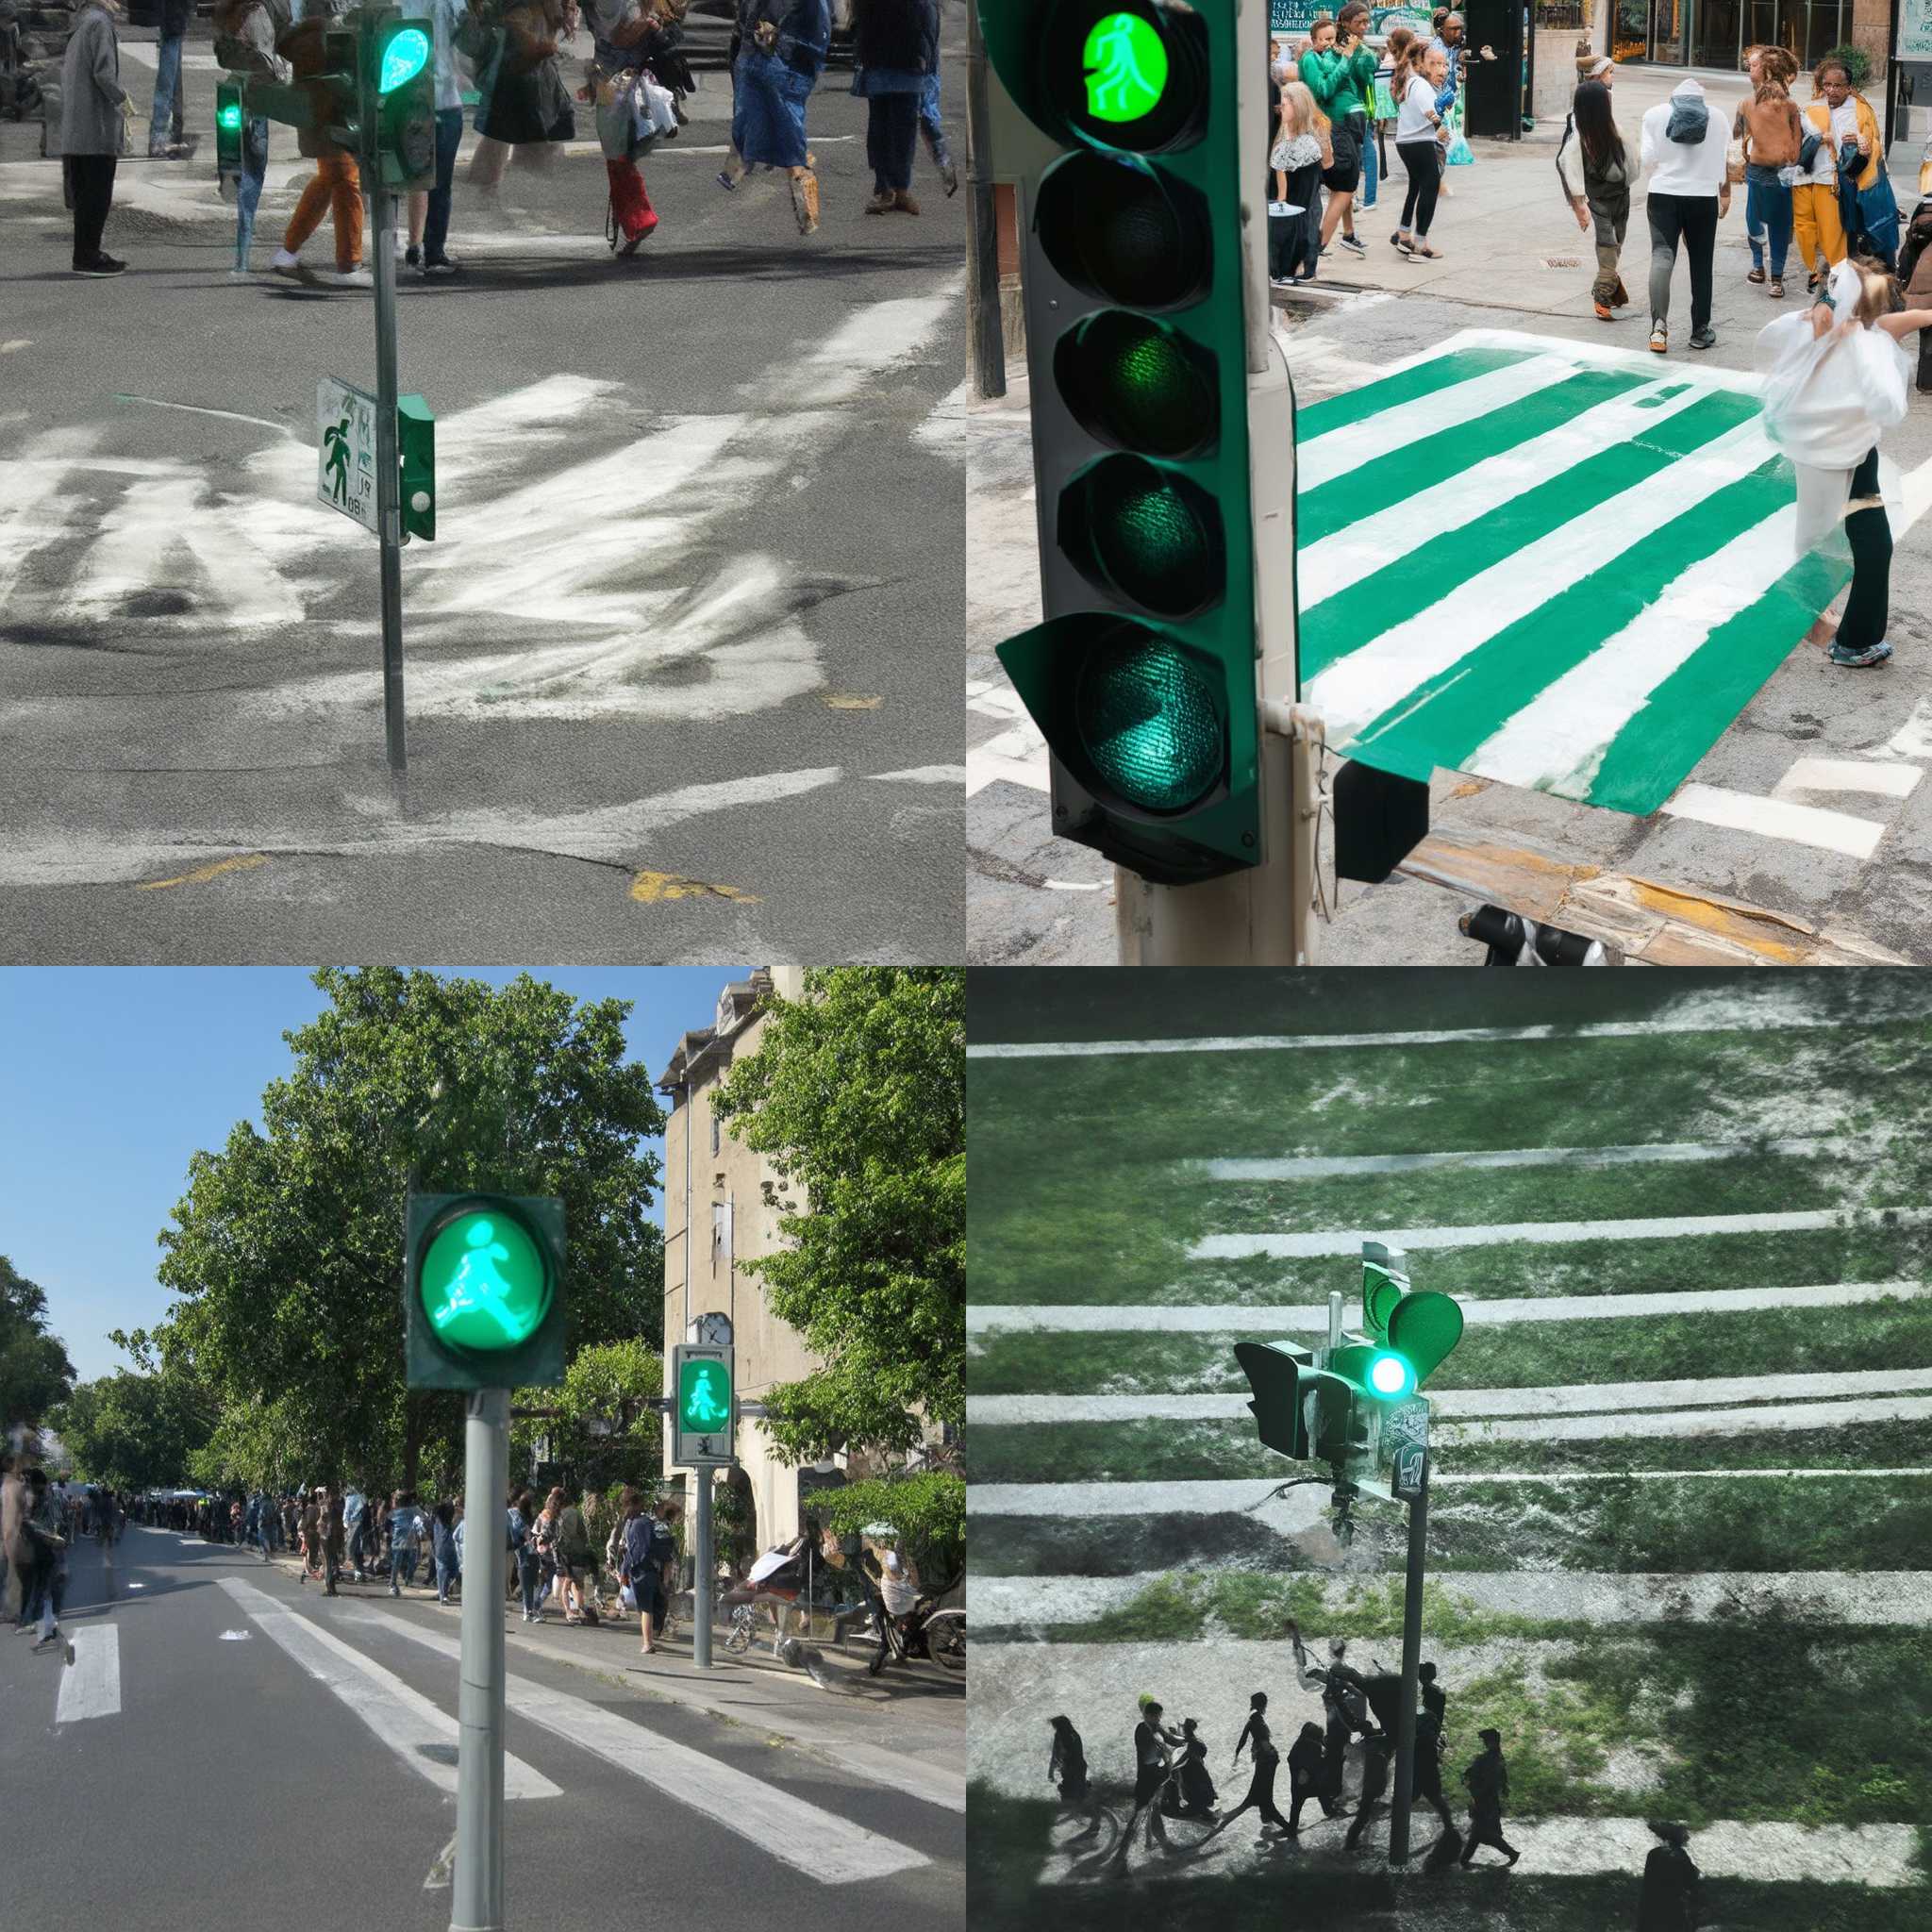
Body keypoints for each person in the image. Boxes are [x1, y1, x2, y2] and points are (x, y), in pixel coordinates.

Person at [1758, 260, 1932, 667]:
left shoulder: (1837, 327)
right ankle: (1840, 634)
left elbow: (1907, 319)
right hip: (1832, 456)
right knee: (1826, 542)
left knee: (1863, 541)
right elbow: (1888, 407)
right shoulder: (1861, 343)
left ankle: (1845, 632)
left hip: (1849, 454)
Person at [270, 3, 366, 287]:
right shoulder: (327, 36)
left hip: (321, 122)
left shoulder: (309, 34)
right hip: (333, 122)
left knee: (330, 181)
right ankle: (349, 264)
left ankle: (288, 252)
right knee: (347, 184)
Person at [718, 0, 829, 235]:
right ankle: (797, 178)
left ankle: (805, 195)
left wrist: (781, 41)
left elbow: (815, 26)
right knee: (757, 122)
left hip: (785, 66)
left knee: (788, 129)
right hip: (757, 58)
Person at [1639, 74, 1730, 355]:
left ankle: (1658, 328)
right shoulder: (1719, 117)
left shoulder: (1654, 115)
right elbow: (1724, 161)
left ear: (1674, 97)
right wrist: (1724, 193)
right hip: (1703, 197)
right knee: (1702, 263)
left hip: (1663, 194)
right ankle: (1700, 331)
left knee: (1662, 255)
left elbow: (1647, 159)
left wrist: (1668, 169)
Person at [59, 0, 129, 278]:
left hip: (76, 128)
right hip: (95, 127)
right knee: (97, 194)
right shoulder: (99, 23)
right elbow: (104, 74)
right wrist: (124, 102)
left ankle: (84, 253)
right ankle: (89, 256)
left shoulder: (81, 23)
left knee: (84, 194)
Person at [851, 0, 939, 217]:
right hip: (895, 64)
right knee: (896, 131)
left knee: (887, 130)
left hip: (892, 64)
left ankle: (892, 190)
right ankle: (894, 190)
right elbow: (929, 23)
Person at [1812, 56, 1896, 274]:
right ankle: (1846, 266)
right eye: (1827, 85)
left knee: (1874, 223)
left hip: (1861, 175)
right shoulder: (1816, 109)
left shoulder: (1860, 110)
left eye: (1838, 86)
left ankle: (1884, 268)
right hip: (1831, 177)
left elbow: (1871, 141)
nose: (1831, 90)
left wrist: (1860, 142)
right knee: (1842, 226)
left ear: (1849, 88)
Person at [1557, 75, 1631, 319]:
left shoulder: (1615, 131)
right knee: (1608, 245)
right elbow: (1566, 163)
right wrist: (1579, 204)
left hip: (1619, 198)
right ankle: (1602, 294)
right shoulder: (1580, 139)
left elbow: (1633, 162)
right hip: (1602, 201)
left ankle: (1613, 284)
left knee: (1615, 244)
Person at [403, 0, 470, 273]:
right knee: (439, 183)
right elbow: (468, 40)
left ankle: (414, 244)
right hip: (439, 99)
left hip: (412, 99)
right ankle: (432, 252)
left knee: (414, 177)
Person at [1302, 10, 1374, 259]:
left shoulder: (1330, 57)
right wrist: (1345, 59)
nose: (1330, 44)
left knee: (1342, 186)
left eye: (1332, 39)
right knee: (1345, 186)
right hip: (1336, 127)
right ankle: (1316, 248)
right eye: (1324, 39)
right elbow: (1323, 90)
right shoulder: (1311, 59)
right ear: (1313, 41)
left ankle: (1347, 234)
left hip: (1345, 125)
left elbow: (1355, 80)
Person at [1734, 49, 1801, 300]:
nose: (1749, 70)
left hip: (1765, 170)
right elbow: (1796, 148)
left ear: (1767, 71)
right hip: (1777, 171)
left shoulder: (1749, 104)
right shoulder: (1789, 105)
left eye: (1753, 66)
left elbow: (1736, 136)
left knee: (1758, 218)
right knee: (1777, 223)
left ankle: (1763, 268)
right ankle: (1772, 274)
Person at [1391, 38, 1448, 260]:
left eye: (1443, 65)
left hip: (1408, 141)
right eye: (1434, 64)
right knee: (1430, 186)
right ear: (1419, 63)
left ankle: (1404, 234)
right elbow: (1429, 112)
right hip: (1418, 142)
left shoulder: (1411, 82)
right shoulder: (1421, 85)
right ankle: (1420, 245)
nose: (1440, 69)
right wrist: (1439, 126)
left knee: (1416, 187)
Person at [1205, 1690, 1291, 1839]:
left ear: (1258, 1704)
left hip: (1266, 1761)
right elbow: (1246, 1737)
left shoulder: (1255, 1718)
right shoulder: (1259, 1718)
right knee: (1260, 1795)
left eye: (1253, 1703)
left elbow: (1245, 1738)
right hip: (1268, 1759)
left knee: (1263, 1798)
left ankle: (1288, 1827)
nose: (1251, 1706)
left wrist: (1237, 1754)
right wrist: (1238, 1754)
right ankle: (1266, 1817)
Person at [1270, 79, 1326, 287]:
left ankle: (1300, 266)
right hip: (1291, 208)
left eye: (1284, 105)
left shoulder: (1306, 145)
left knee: (1305, 218)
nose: (1279, 108)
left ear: (1298, 106)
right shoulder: (1286, 135)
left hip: (1298, 209)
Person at [1111, 1694, 1182, 1859]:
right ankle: (1120, 1858)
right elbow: (1150, 1757)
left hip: (1156, 1778)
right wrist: (1164, 1750)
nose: (1159, 1719)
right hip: (1146, 1780)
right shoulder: (1142, 1729)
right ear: (1147, 1715)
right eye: (1156, 1716)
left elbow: (1171, 1739)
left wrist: (1189, 1740)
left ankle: (1165, 1846)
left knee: (1154, 1812)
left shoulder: (1156, 1727)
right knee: (1138, 1818)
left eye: (1160, 1716)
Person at [1459, 1727, 1520, 1867]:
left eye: (1486, 1741)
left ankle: (1512, 1853)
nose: (1485, 1743)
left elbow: (1487, 1781)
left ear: (1490, 1742)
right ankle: (1464, 1860)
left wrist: (1473, 1787)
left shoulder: (1488, 1759)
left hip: (1484, 1801)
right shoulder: (1497, 1757)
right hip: (1488, 1800)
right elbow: (1500, 1777)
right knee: (1479, 1833)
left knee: (1481, 1833)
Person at [1414, 1661, 1457, 1833]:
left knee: (1429, 1793)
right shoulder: (1436, 1692)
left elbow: (1422, 1714)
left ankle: (1450, 1827)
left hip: (1424, 1746)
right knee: (1430, 1793)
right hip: (1428, 1744)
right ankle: (1449, 1825)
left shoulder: (1429, 1693)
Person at [1048, 1714, 1105, 1841]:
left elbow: (1075, 1757)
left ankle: (1095, 1818)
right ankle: (1080, 1815)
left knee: (1079, 1796)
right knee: (1070, 1796)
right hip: (1068, 1770)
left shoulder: (1073, 1737)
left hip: (1077, 1769)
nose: (1055, 1730)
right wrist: (1051, 1771)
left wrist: (1065, 1767)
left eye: (1056, 1727)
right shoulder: (1059, 1735)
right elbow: (1055, 1754)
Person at [1637, 1821, 1702, 1930]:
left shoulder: (1653, 1854)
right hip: (1674, 1904)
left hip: (1652, 1904)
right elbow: (1690, 1881)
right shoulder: (1680, 1855)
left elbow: (1647, 1882)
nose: (1687, 1838)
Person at [147, 0, 191, 158]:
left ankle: (165, 134)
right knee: (167, 81)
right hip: (172, 14)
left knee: (170, 79)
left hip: (174, 15)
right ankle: (159, 137)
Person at [1165, 1717, 1218, 1819]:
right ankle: (1201, 1808)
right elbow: (1183, 1743)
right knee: (1199, 1788)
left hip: (1193, 1769)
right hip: (1197, 1768)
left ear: (1186, 1729)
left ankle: (1200, 1810)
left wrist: (1175, 1767)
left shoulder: (1193, 1742)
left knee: (1194, 1788)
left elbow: (1186, 1755)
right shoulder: (1193, 1739)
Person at [1286, 1720, 1333, 1830]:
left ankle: (1292, 1829)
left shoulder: (1298, 1744)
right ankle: (1329, 1812)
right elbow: (1318, 1765)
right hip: (1310, 1784)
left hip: (1297, 1784)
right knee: (1323, 1792)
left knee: (1296, 1806)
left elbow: (1290, 1759)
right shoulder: (1316, 1747)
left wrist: (1298, 1770)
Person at [389, 1490, 424, 1596]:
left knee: (411, 1561)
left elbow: (420, 1522)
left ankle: (408, 1579)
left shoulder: (415, 1510)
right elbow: (389, 1526)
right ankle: (393, 1584)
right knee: (397, 1563)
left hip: (410, 1540)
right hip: (399, 1542)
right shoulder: (396, 1512)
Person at [432, 1499, 458, 1604]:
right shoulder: (445, 1521)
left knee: (444, 1572)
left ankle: (443, 1594)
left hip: (442, 1549)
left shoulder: (439, 1520)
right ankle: (443, 1595)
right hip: (445, 1549)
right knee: (445, 1572)